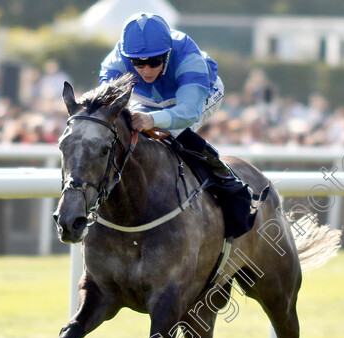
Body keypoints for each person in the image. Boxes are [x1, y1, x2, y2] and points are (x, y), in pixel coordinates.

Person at [99, 13, 258, 238]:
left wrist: (152, 119)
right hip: (150, 100)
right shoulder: (115, 61)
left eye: (154, 62)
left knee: (172, 133)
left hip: (201, 94)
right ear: (127, 57)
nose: (146, 70)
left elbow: (188, 111)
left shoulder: (187, 56)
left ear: (168, 53)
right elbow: (106, 105)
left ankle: (230, 186)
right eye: (138, 63)